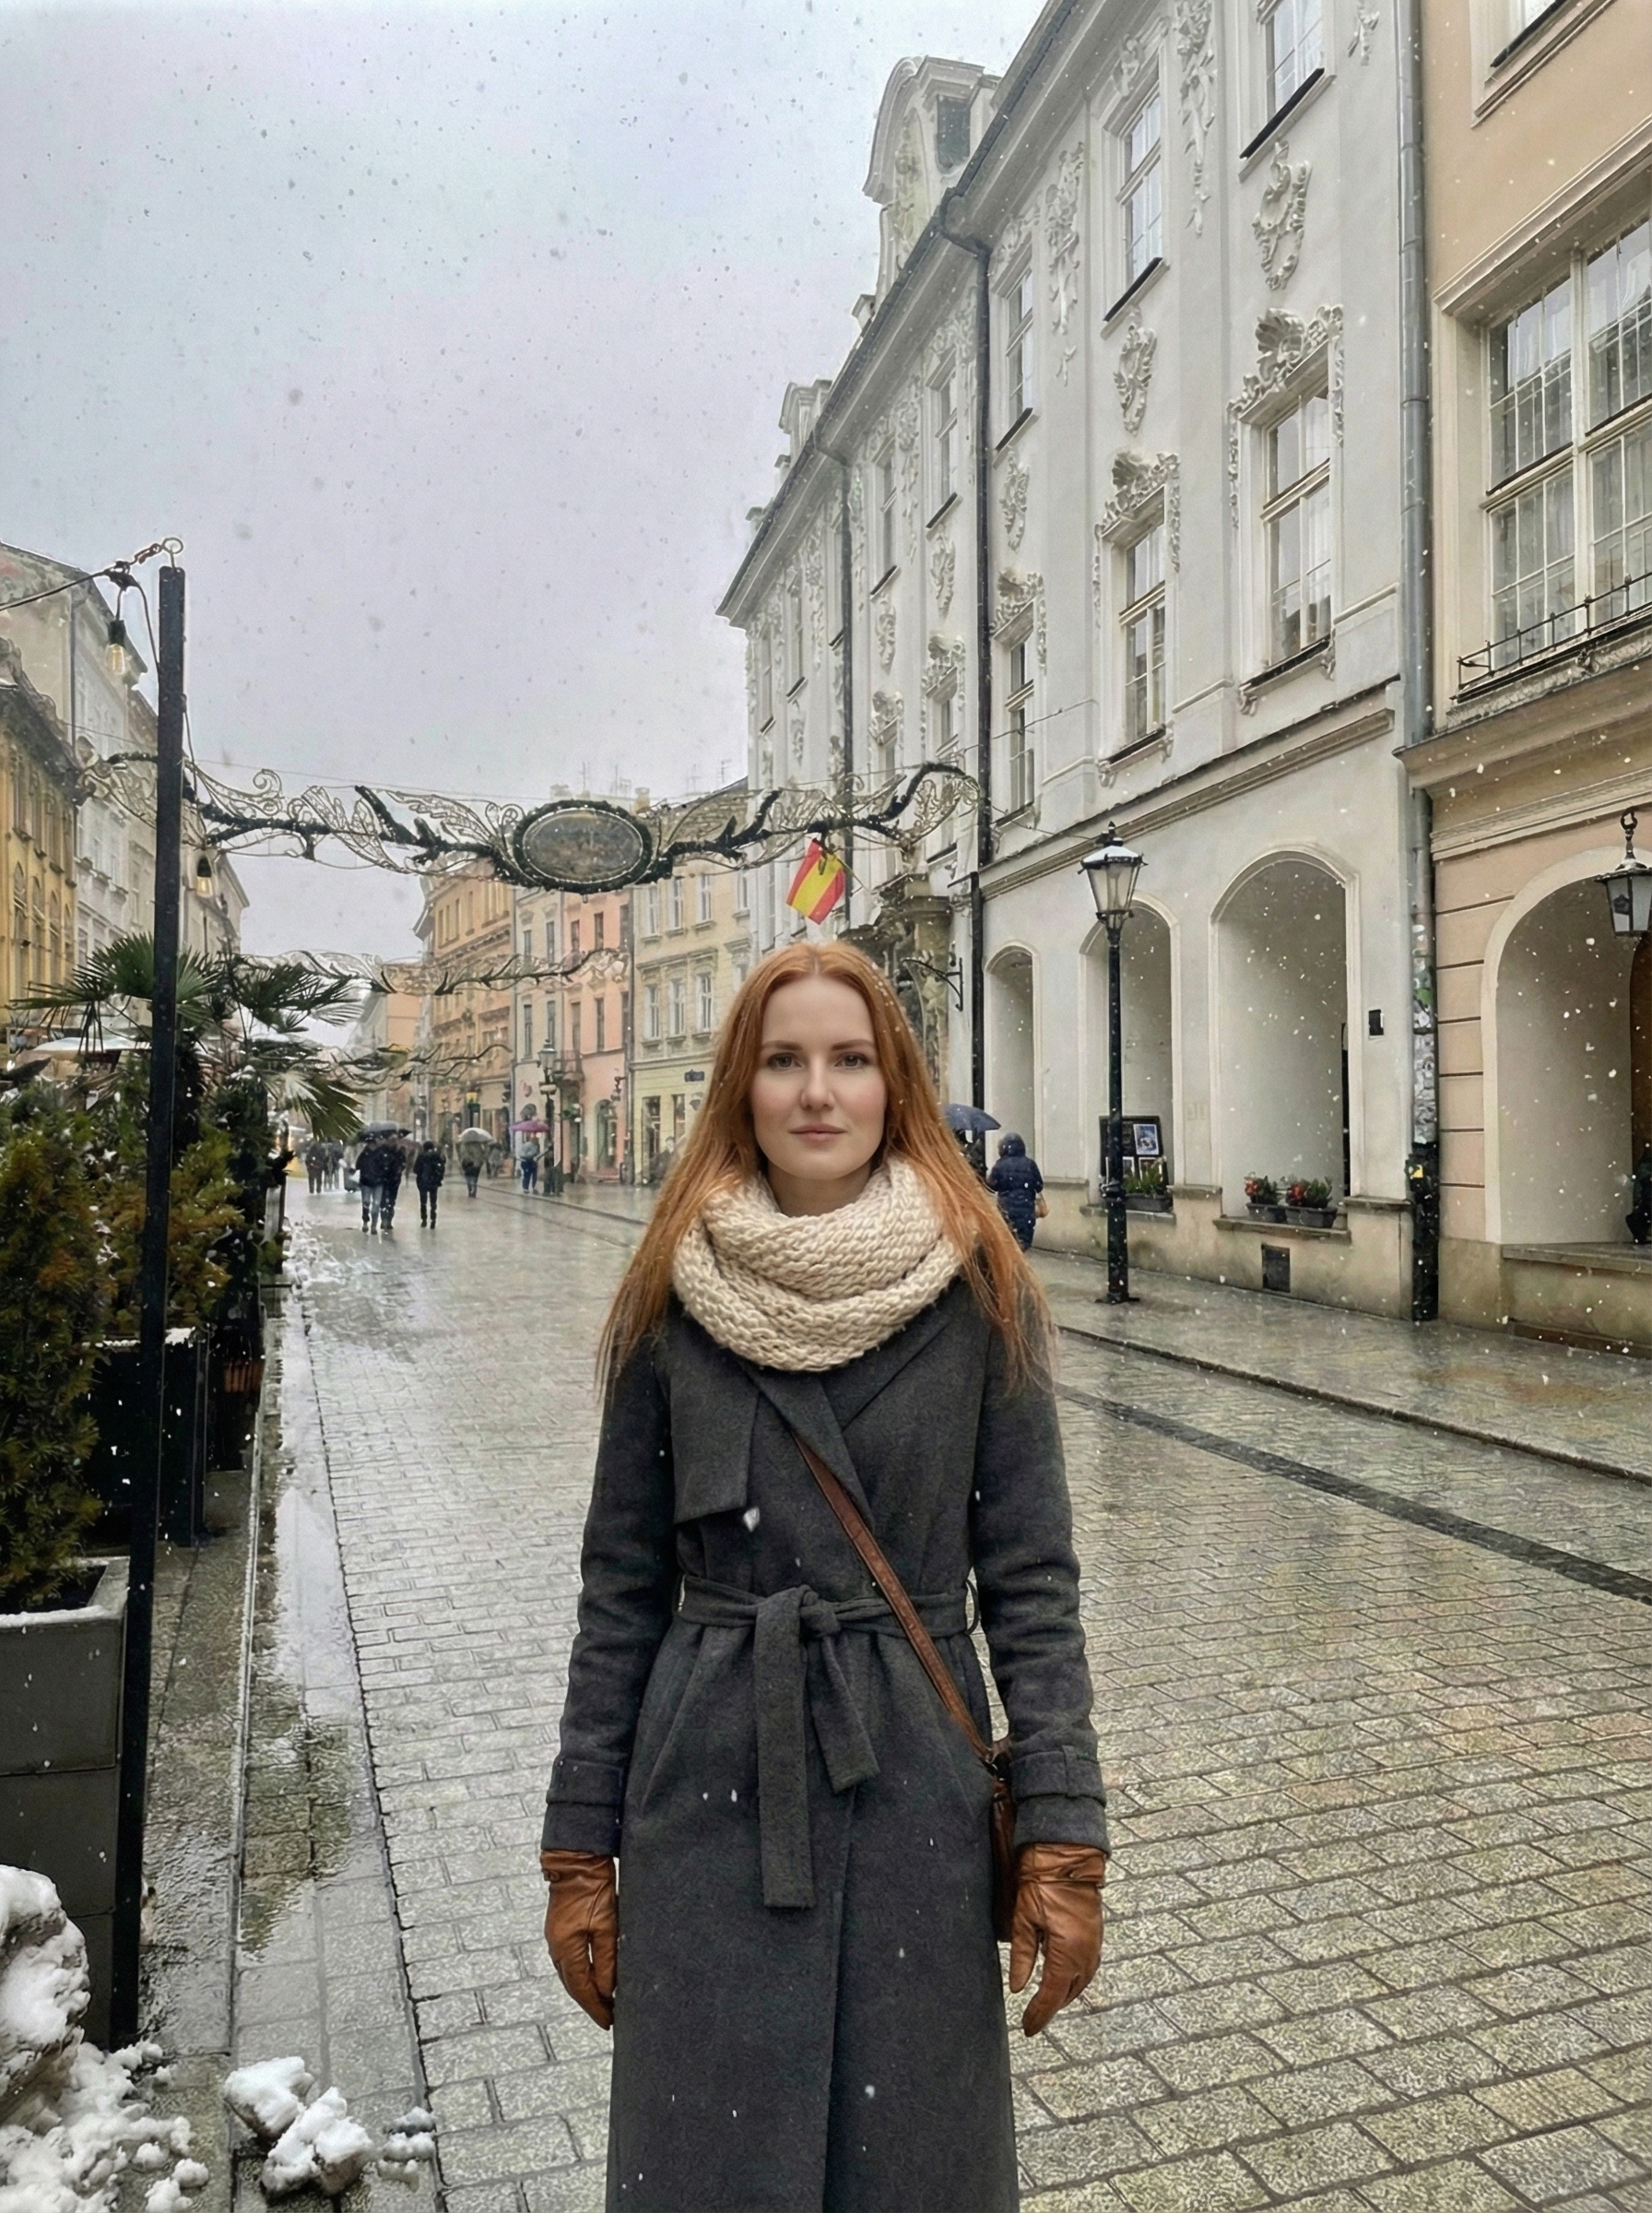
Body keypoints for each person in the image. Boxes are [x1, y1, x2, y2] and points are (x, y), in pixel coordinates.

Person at [539, 941, 1106, 2213]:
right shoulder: (670, 1293)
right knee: (708, 2169)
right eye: (782, 1060)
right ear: (739, 1086)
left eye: (849, 1059)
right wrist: (579, 1844)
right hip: (706, 1786)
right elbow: (618, 1589)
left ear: (894, 1082)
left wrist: (1065, 1833)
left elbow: (1032, 1584)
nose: (815, 1091)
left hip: (913, 1789)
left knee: (913, 2166)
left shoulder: (981, 1289)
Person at [987, 1130, 1044, 1251]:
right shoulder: (1030, 1164)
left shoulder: (1000, 1165)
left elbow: (992, 1186)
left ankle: (1012, 1261)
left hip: (1006, 1210)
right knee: (1023, 1243)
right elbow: (1039, 1186)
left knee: (1008, 1244)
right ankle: (1019, 1257)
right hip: (1026, 1211)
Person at [357, 1138, 387, 1231]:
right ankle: (365, 1222)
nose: (371, 1146)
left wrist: (381, 1175)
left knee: (376, 1205)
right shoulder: (364, 1154)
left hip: (378, 1183)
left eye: (373, 1144)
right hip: (366, 1182)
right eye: (369, 1144)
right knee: (366, 1202)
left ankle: (374, 1225)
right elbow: (358, 1165)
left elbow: (385, 1167)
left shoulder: (380, 1154)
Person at [414, 1141, 445, 1227]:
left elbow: (415, 1169)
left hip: (422, 1182)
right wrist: (439, 1178)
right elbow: (442, 1168)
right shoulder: (436, 1156)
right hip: (434, 1182)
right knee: (433, 1201)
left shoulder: (421, 1156)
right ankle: (433, 1219)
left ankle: (424, 1219)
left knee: (423, 1201)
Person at [457, 1132, 486, 1199]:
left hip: (467, 1163)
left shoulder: (463, 1145)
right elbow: (481, 1154)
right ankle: (474, 1190)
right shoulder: (478, 1145)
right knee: (475, 1178)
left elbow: (462, 1155)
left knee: (468, 1177)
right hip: (477, 1164)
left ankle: (470, 1190)